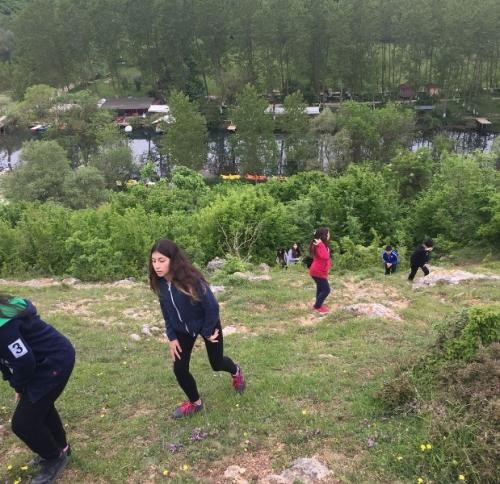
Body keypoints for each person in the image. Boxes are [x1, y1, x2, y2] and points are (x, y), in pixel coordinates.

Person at [149, 239, 246, 419]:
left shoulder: (192, 280)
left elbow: (212, 307)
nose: (157, 265)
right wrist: (172, 336)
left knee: (217, 363)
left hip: (208, 323)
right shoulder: (160, 283)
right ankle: (196, 403)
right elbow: (166, 311)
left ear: (173, 260)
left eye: (161, 260)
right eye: (154, 261)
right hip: (181, 329)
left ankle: (236, 371)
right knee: (179, 369)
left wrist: (207, 331)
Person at [0, 295, 75, 484]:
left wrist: (20, 386)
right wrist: (14, 381)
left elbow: (24, 361)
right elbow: (5, 357)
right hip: (42, 362)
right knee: (40, 404)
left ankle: (53, 458)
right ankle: (62, 448)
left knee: (23, 423)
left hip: (55, 362)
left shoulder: (3, 326)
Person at [309, 227, 332, 315]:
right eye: (328, 233)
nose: (329, 235)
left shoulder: (322, 245)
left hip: (319, 271)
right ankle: (317, 306)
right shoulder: (319, 245)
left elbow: (326, 258)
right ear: (324, 235)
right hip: (317, 271)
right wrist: (321, 244)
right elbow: (325, 257)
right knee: (326, 290)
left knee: (320, 288)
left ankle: (318, 304)